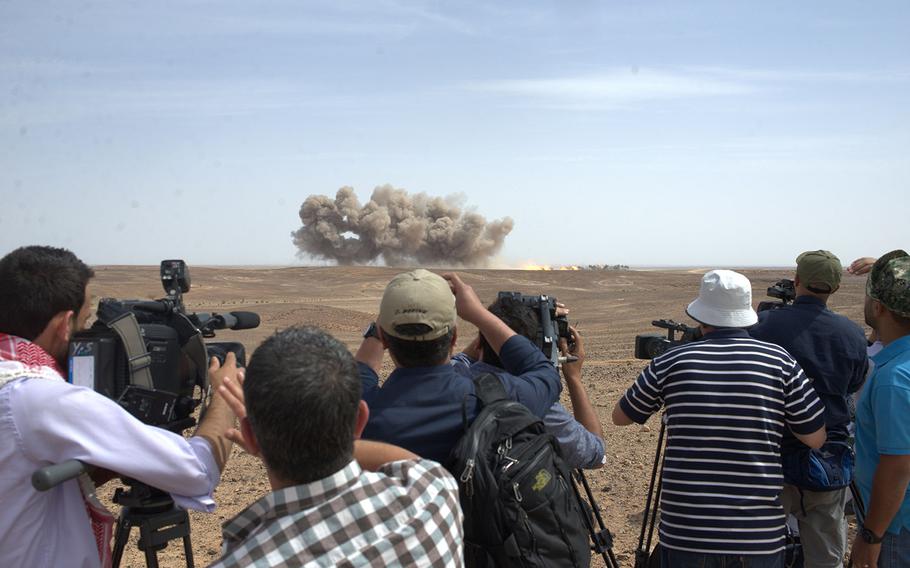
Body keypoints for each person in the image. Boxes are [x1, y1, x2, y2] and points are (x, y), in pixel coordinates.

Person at [0, 245, 239, 568]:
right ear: (63, 324)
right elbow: (196, 471)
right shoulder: (38, 397)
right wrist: (225, 394)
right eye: (85, 322)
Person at [612, 269, 827, 566]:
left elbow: (621, 417)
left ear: (702, 316)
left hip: (686, 536)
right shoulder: (780, 361)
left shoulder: (671, 361)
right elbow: (815, 438)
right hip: (757, 538)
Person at [212, 325, 464, 567]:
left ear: (250, 436)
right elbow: (409, 462)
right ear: (360, 422)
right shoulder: (432, 493)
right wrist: (312, 440)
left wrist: (276, 440)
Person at [355, 269, 561, 464]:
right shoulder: (497, 401)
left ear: (384, 338)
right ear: (454, 336)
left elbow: (361, 373)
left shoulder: (360, 412)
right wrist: (478, 314)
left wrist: (382, 324)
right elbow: (545, 373)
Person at [749, 250, 869, 568]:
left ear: (796, 280)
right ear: (836, 288)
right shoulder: (853, 335)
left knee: (760, 555)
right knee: (826, 558)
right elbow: (853, 386)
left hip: (770, 462)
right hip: (828, 463)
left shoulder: (763, 325)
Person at [451, 296, 605, 469]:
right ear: (533, 350)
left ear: (479, 342)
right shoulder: (537, 401)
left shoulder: (454, 377)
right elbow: (596, 455)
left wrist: (492, 324)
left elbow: (463, 357)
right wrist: (574, 378)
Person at [849, 250, 910, 567]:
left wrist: (871, 537)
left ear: (878, 307)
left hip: (896, 527)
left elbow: (898, 466)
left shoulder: (894, 379)